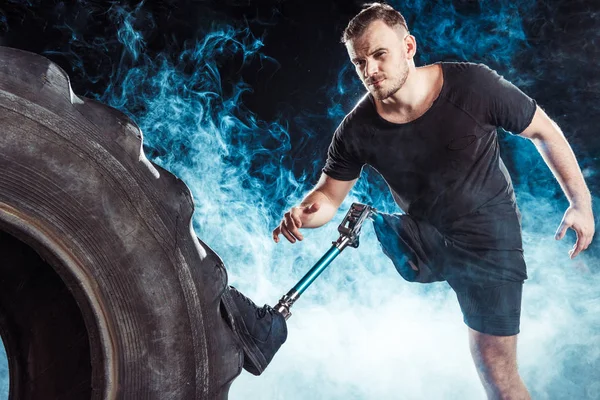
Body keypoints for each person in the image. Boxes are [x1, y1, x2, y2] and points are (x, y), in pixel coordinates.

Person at [272, 3, 595, 399]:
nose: (370, 70)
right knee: (365, 220)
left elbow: (544, 130)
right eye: (359, 62)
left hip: (488, 243)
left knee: (497, 372)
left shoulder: (474, 86)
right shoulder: (357, 129)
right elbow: (327, 195)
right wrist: (304, 213)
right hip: (423, 238)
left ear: (408, 47)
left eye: (379, 55)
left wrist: (580, 202)